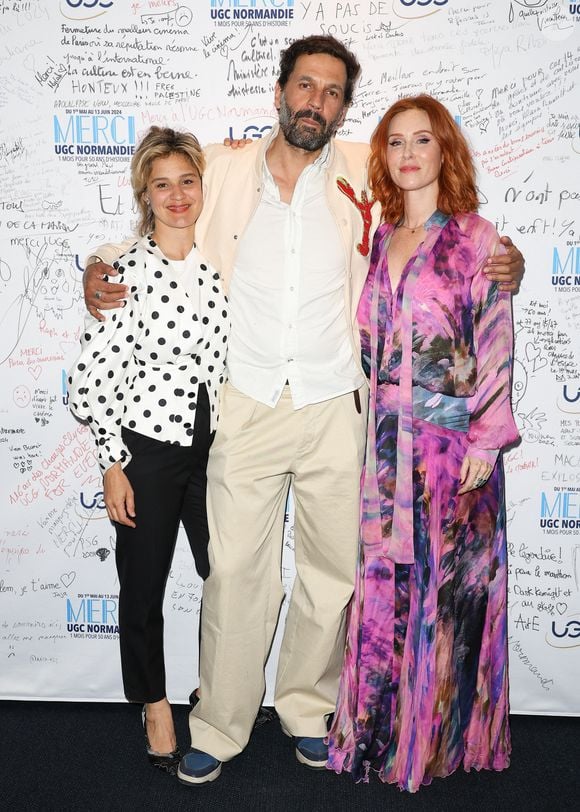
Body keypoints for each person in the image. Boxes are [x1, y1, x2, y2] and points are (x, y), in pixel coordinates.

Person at [81, 36, 525, 785]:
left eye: (332, 93)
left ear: (343, 108)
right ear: (280, 91)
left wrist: (503, 252)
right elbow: (162, 221)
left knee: (331, 574)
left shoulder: (362, 166)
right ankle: (219, 724)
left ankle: (306, 708)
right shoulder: (221, 168)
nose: (316, 101)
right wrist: (99, 267)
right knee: (235, 575)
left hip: (335, 407)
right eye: (305, 86)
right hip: (246, 404)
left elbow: (438, 215)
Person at [326, 95, 520, 792]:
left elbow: (495, 342)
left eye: (423, 141)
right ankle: (378, 736)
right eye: (397, 143)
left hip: (449, 455)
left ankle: (433, 745)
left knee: (446, 601)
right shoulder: (379, 238)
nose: (409, 155)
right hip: (385, 449)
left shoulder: (477, 239)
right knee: (384, 592)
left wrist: (487, 439)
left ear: (446, 152)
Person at [68, 126, 229, 773]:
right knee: (142, 586)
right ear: (146, 193)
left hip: (217, 447)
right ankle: (155, 706)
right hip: (148, 448)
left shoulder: (224, 267)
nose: (177, 195)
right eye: (162, 184)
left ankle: (219, 691)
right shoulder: (123, 273)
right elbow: (94, 376)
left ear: (202, 185)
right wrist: (111, 460)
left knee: (230, 576)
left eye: (187, 180)